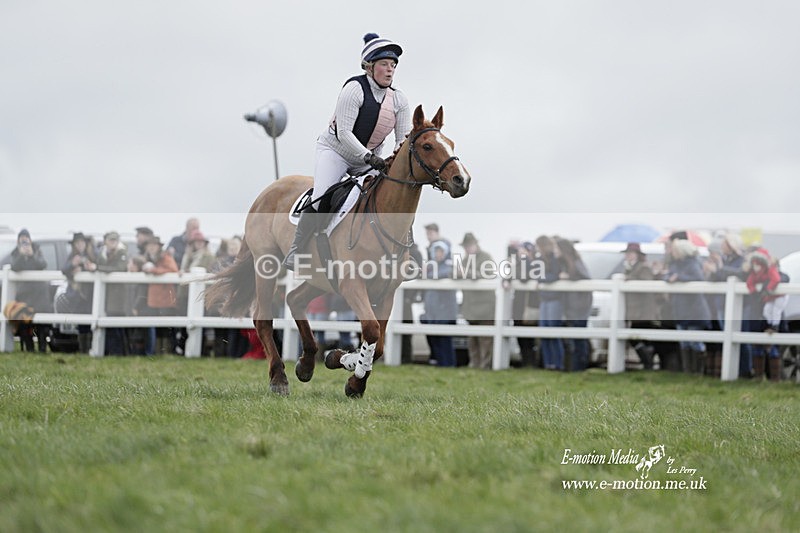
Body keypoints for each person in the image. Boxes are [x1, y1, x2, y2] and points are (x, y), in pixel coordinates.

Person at [284, 33, 411, 270]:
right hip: (336, 152)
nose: (390, 70)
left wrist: (393, 162)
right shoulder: (354, 89)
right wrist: (370, 158)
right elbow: (344, 133)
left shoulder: (399, 100)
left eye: (393, 65)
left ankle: (403, 252)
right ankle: (296, 249)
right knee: (323, 196)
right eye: (384, 64)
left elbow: (402, 140)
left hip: (370, 160)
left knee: (388, 196)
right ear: (369, 67)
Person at [664, 238, 711, 374]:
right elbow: (667, 276)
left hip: (693, 308)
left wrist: (679, 278)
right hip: (680, 307)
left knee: (694, 340)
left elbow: (698, 278)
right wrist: (669, 278)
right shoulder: (674, 263)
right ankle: (688, 370)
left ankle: (698, 371)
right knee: (684, 341)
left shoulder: (692, 263)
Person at [745, 247, 786, 381]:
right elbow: (749, 282)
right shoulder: (752, 275)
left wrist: (766, 287)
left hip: (769, 316)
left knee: (772, 346)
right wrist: (755, 290)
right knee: (757, 345)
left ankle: (774, 378)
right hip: (757, 315)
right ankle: (758, 376)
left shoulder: (776, 273)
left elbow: (781, 279)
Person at [456, 232, 496, 369]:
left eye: (469, 246)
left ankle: (485, 365)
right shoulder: (465, 259)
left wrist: (466, 273)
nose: (467, 249)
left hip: (485, 306)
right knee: (472, 339)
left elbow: (487, 275)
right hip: (470, 306)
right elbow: (456, 273)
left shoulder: (486, 258)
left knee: (485, 339)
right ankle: (474, 364)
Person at [621, 243, 661, 370]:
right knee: (637, 337)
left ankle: (648, 362)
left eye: (631, 253)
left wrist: (630, 278)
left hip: (643, 310)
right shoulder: (629, 268)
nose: (628, 256)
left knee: (637, 336)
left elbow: (646, 285)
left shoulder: (643, 268)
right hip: (635, 309)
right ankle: (647, 361)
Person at [9, 229, 50, 352]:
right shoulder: (16, 253)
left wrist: (32, 255)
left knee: (41, 324)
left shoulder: (37, 250)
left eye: (27, 240)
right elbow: (15, 267)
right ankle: (29, 348)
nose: (25, 244)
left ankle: (42, 348)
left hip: (39, 295)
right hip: (25, 295)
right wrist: (22, 256)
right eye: (22, 241)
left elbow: (43, 264)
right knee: (24, 323)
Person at [556, 238, 592, 371]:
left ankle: (579, 367)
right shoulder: (564, 263)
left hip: (579, 307)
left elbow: (586, 278)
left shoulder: (576, 263)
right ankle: (573, 368)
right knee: (572, 340)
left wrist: (569, 277)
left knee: (579, 340)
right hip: (571, 307)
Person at [60, 232, 97, 353]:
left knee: (90, 322)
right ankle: (83, 349)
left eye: (82, 242)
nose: (80, 245)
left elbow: (97, 267)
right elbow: (64, 269)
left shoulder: (92, 254)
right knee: (81, 323)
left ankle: (90, 347)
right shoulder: (73, 256)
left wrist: (86, 268)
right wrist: (73, 265)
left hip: (90, 293)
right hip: (78, 295)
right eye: (77, 243)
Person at [422, 240, 457, 367]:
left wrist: (427, 274)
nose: (438, 254)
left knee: (445, 340)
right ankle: (439, 363)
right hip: (432, 310)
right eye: (436, 251)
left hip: (445, 310)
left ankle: (448, 364)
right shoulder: (430, 266)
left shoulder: (449, 265)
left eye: (441, 251)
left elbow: (445, 273)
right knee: (435, 339)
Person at [142, 236, 178, 355]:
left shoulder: (165, 257)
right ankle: (157, 352)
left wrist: (154, 270)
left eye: (154, 245)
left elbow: (173, 270)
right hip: (154, 299)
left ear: (158, 247)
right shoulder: (148, 258)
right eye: (149, 245)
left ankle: (167, 352)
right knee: (156, 326)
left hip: (165, 299)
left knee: (166, 328)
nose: (151, 248)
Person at [95, 231, 128, 355]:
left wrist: (98, 268)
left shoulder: (122, 252)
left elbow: (119, 268)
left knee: (118, 326)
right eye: (110, 240)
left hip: (118, 296)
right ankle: (110, 351)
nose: (113, 242)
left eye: (115, 240)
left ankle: (119, 352)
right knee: (109, 325)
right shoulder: (102, 254)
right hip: (106, 295)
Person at [536, 235, 565, 370]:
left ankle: (558, 363)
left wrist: (543, 278)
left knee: (553, 331)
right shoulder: (540, 259)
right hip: (545, 299)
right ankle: (548, 363)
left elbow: (554, 276)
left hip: (554, 299)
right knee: (544, 331)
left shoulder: (555, 259)